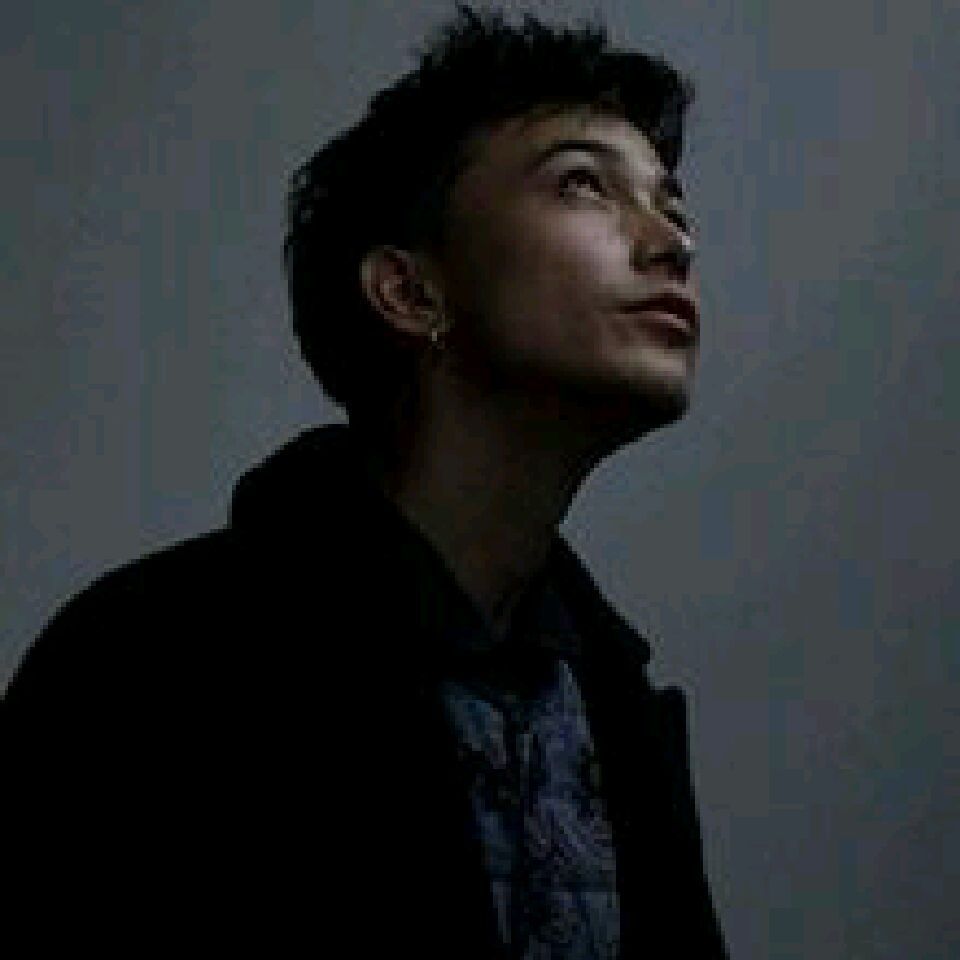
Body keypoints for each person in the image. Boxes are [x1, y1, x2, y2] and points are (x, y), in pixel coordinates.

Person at [4, 5, 728, 957]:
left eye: (674, 205)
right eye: (583, 184)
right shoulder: (149, 666)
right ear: (409, 291)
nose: (672, 242)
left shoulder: (615, 708)